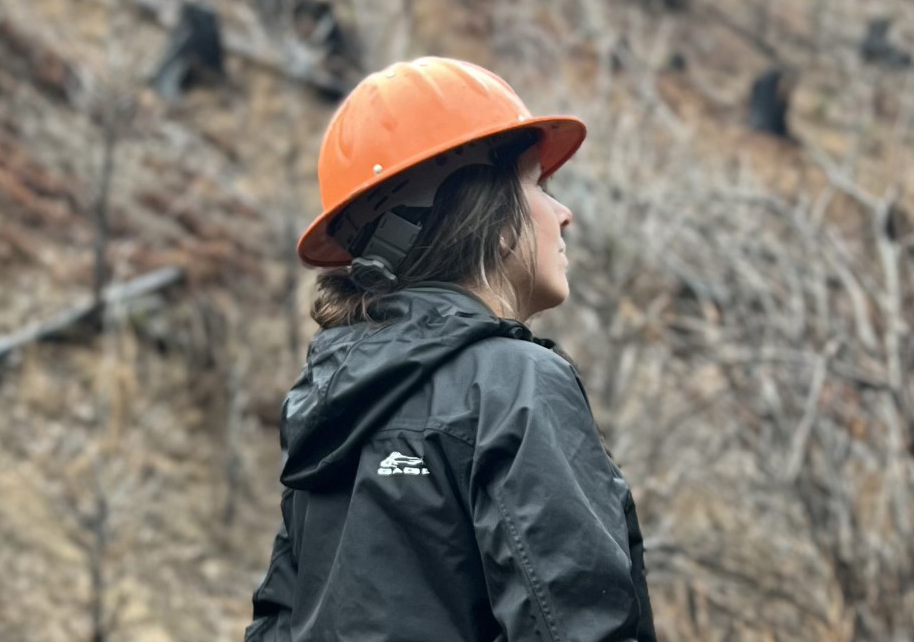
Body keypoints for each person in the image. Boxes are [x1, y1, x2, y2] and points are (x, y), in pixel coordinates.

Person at [242, 57, 657, 641]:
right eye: (538, 185)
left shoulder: (330, 403)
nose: (563, 216)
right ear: (475, 207)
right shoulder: (511, 384)